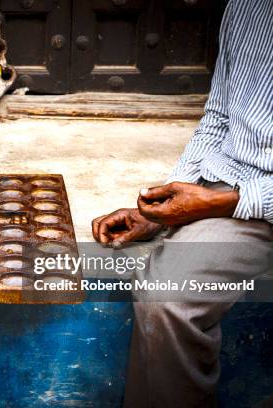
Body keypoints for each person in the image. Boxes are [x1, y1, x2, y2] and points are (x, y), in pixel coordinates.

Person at [92, 1, 273, 406]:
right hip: (236, 187)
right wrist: (166, 206)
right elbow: (219, 117)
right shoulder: (247, 7)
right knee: (165, 294)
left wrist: (225, 203)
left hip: (257, 197)